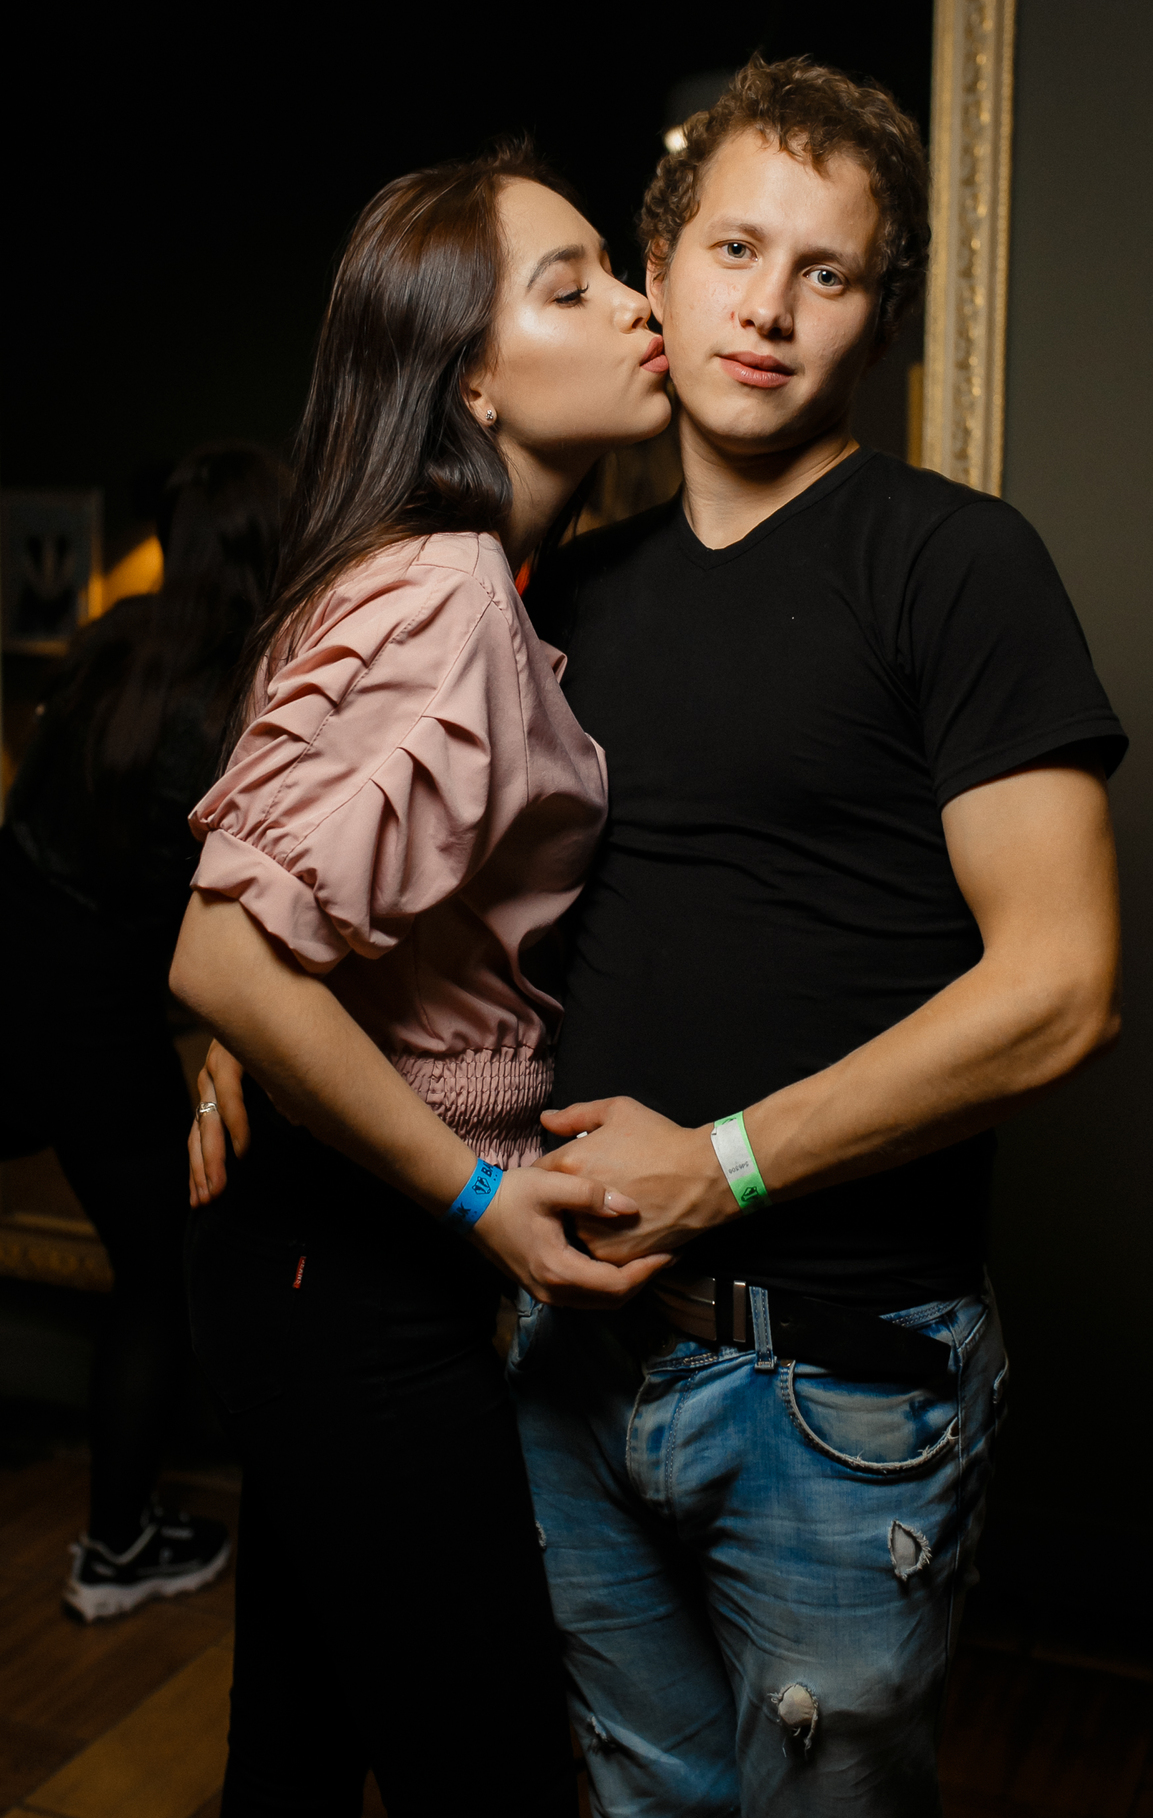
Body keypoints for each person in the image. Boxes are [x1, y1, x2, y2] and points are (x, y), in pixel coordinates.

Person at [503, 55, 1127, 1817]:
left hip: (834, 1391)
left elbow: (1064, 989)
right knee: (641, 1799)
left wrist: (720, 1167)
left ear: (877, 316)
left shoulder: (957, 565)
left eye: (826, 271)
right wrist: (258, 1038)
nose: (768, 309)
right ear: (659, 269)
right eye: (734, 250)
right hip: (575, 1346)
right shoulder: (568, 590)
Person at [168, 140, 673, 1818]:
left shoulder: (442, 574)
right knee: (493, 1773)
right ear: (471, 381)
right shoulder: (446, 589)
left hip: (314, 1255)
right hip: (354, 1269)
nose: (638, 305)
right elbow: (224, 951)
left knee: (300, 1749)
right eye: (573, 287)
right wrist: (479, 1196)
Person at [0, 443, 288, 1621]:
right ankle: (116, 1547)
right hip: (92, 1021)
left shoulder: (113, 640)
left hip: (23, 980)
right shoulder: (237, 701)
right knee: (161, 1273)